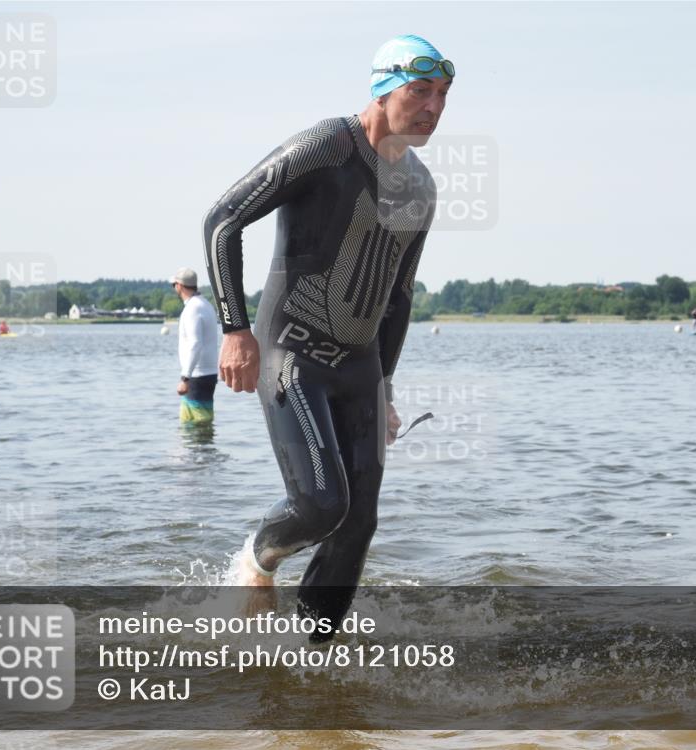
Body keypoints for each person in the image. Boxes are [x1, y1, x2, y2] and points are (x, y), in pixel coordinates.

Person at [202, 34, 451, 632]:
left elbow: (399, 297)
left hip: (360, 368)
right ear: (383, 88)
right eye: (421, 91)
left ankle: (314, 662)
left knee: (358, 523)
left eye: (442, 95)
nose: (434, 108)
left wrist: (385, 389)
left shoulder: (421, 189)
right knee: (320, 507)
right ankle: (257, 562)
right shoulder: (325, 147)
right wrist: (236, 332)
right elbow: (222, 222)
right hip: (292, 354)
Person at [171, 267, 219, 423]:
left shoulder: (193, 308)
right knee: (201, 422)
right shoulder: (205, 304)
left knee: (194, 424)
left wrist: (185, 377)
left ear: (179, 285)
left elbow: (195, 343)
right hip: (206, 373)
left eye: (174, 285)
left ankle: (202, 447)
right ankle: (206, 447)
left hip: (197, 375)